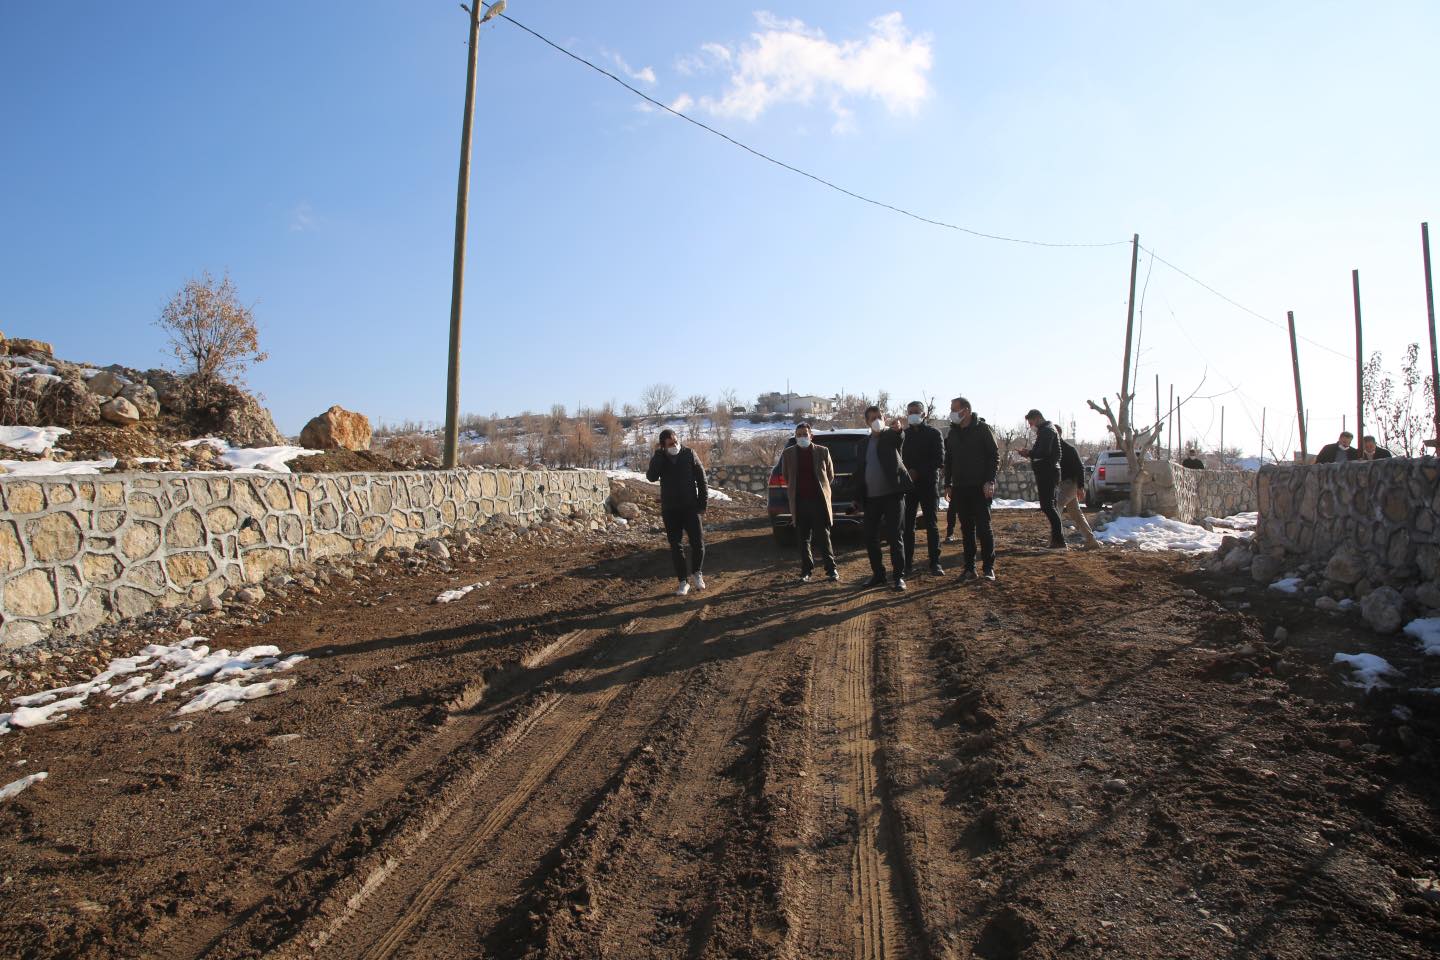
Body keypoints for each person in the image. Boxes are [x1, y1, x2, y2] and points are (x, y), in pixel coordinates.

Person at [852, 405, 912, 591]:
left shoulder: (890, 437)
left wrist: (899, 429)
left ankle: (898, 577)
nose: (876, 420)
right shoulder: (862, 445)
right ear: (867, 422)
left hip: (893, 496)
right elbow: (860, 471)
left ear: (884, 418)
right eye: (872, 418)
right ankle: (878, 575)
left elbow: (899, 437)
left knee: (895, 536)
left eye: (879, 416)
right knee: (870, 537)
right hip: (871, 499)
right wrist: (856, 497)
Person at [942, 396, 999, 580]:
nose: (951, 413)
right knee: (967, 529)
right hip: (960, 488)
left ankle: (988, 568)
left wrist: (990, 480)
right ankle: (969, 568)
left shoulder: (982, 429)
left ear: (965, 410)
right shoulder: (953, 433)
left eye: (954, 409)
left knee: (984, 528)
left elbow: (994, 456)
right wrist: (948, 483)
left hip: (980, 487)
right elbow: (948, 460)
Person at [646, 428, 708, 596]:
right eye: (670, 444)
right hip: (670, 509)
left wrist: (702, 503)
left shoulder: (689, 454)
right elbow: (651, 477)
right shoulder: (660, 458)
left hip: (690, 507)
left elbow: (701, 479)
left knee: (698, 543)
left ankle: (697, 573)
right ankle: (683, 582)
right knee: (676, 546)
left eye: (675, 442)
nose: (675, 445)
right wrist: (659, 456)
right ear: (663, 446)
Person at [781, 422, 839, 583]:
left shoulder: (822, 451)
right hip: (799, 503)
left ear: (811, 435)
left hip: (818, 502)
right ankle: (806, 571)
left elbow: (830, 475)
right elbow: (787, 477)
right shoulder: (788, 454)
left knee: (823, 537)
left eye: (805, 434)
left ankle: (831, 569)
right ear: (795, 437)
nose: (802, 437)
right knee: (803, 538)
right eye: (798, 435)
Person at [901, 401, 945, 577]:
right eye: (910, 412)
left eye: (916, 412)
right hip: (909, 487)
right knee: (907, 526)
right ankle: (907, 564)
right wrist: (907, 473)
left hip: (928, 485)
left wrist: (918, 471)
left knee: (931, 525)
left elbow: (939, 460)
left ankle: (935, 562)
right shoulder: (904, 435)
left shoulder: (934, 434)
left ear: (924, 414)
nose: (913, 415)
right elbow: (899, 459)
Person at [1018, 408, 1065, 549]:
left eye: (1031, 422)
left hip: (1048, 473)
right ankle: (1057, 540)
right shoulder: (1047, 430)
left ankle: (1059, 541)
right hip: (1048, 471)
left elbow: (1044, 452)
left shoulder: (1047, 431)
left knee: (1047, 506)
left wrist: (1029, 453)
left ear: (1037, 418)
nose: (1030, 425)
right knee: (1051, 506)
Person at [1056, 425, 1100, 550]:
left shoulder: (1069, 449)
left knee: (1056, 508)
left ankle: (1057, 541)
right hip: (1064, 484)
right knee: (1076, 513)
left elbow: (1080, 468)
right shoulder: (1054, 450)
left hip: (1070, 484)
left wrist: (1080, 487)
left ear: (1057, 434)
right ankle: (1091, 540)